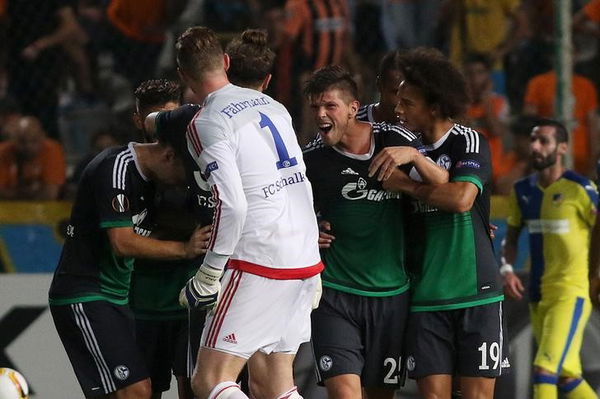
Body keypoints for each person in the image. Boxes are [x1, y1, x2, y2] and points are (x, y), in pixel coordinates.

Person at [172, 26, 322, 399]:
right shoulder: (275, 106)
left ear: (183, 76)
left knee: (210, 379)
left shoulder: (207, 122)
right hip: (304, 257)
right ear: (225, 62)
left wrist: (209, 273)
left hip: (259, 259)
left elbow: (233, 204)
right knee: (274, 384)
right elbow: (298, 181)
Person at [302, 65, 448, 399]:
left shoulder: (395, 141)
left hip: (390, 295)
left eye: (329, 106)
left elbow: (445, 185)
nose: (320, 115)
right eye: (314, 108)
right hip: (335, 294)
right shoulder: (311, 159)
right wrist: (308, 228)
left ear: (354, 108)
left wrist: (412, 156)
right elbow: (286, 212)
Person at [371, 48, 507, 399]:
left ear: (434, 106)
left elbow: (462, 200)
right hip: (426, 296)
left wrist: (409, 182)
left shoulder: (467, 140)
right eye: (397, 101)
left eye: (408, 103)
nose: (398, 110)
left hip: (475, 291)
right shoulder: (399, 148)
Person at [48, 124, 211, 398]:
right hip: (86, 294)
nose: (183, 184)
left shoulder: (152, 181)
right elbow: (122, 242)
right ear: (169, 156)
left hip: (116, 298)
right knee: (135, 390)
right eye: (184, 175)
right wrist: (184, 249)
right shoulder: (117, 166)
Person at [501, 119, 598, 399]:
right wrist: (507, 269)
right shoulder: (522, 191)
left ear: (562, 148)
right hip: (537, 294)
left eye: (543, 141)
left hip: (569, 293)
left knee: (544, 370)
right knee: (568, 377)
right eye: (533, 140)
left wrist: (595, 275)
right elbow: (512, 235)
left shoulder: (581, 189)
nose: (535, 146)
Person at [130, 79, 210, 399]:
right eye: (155, 118)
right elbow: (122, 239)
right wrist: (180, 243)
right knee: (142, 391)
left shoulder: (202, 165)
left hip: (189, 299)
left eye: (170, 116)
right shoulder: (125, 170)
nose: (164, 126)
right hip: (141, 302)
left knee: (192, 388)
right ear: (139, 121)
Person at [523, 63, 599, 176]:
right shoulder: (538, 83)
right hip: (548, 158)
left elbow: (593, 127)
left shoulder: (585, 85)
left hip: (580, 160)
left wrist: (592, 163)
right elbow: (527, 124)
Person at [463, 52, 510, 186]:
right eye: (469, 74)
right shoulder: (456, 104)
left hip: (493, 173)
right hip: (466, 172)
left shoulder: (500, 102)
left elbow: (496, 130)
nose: (474, 79)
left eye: (480, 73)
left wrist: (486, 100)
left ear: (488, 76)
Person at [0, 115, 66, 200]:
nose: (28, 146)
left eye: (34, 140)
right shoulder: (2, 152)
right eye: (22, 141)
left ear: (43, 136)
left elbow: (50, 195)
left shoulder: (52, 149)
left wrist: (13, 194)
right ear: (13, 139)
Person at [355, 50, 404, 125]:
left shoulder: (419, 127)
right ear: (379, 85)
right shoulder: (354, 120)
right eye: (396, 92)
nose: (402, 101)